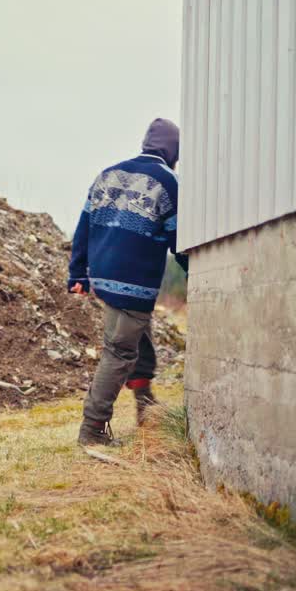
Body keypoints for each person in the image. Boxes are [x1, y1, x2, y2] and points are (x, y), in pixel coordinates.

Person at [68, 118, 187, 446]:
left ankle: (145, 404)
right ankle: (92, 430)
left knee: (139, 337)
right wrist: (194, 272)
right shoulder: (168, 182)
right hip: (134, 282)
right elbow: (178, 240)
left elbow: (85, 225)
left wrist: (77, 273)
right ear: (172, 150)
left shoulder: (108, 174)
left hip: (103, 275)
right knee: (120, 351)